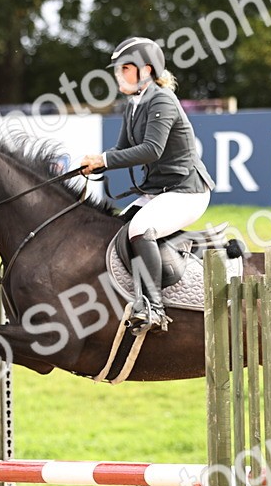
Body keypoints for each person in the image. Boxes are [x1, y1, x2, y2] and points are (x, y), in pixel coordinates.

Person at [80, 36, 215, 333]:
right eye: (118, 69)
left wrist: (103, 159)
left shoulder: (162, 100)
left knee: (140, 229)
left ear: (147, 70)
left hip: (187, 191)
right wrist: (93, 163)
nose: (119, 74)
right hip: (160, 192)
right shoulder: (134, 105)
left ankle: (154, 308)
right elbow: (123, 149)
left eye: (126, 68)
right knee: (117, 227)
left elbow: (151, 150)